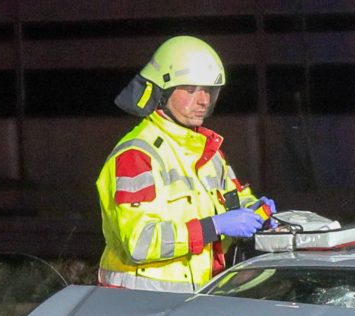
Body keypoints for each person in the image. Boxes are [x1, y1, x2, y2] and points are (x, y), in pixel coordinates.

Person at [96, 35, 275, 292]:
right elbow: (140, 243)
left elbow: (233, 201)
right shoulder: (137, 155)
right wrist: (215, 226)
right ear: (163, 91)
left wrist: (256, 210)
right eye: (191, 90)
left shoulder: (208, 152)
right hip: (137, 307)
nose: (203, 100)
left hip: (193, 301)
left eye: (209, 91)